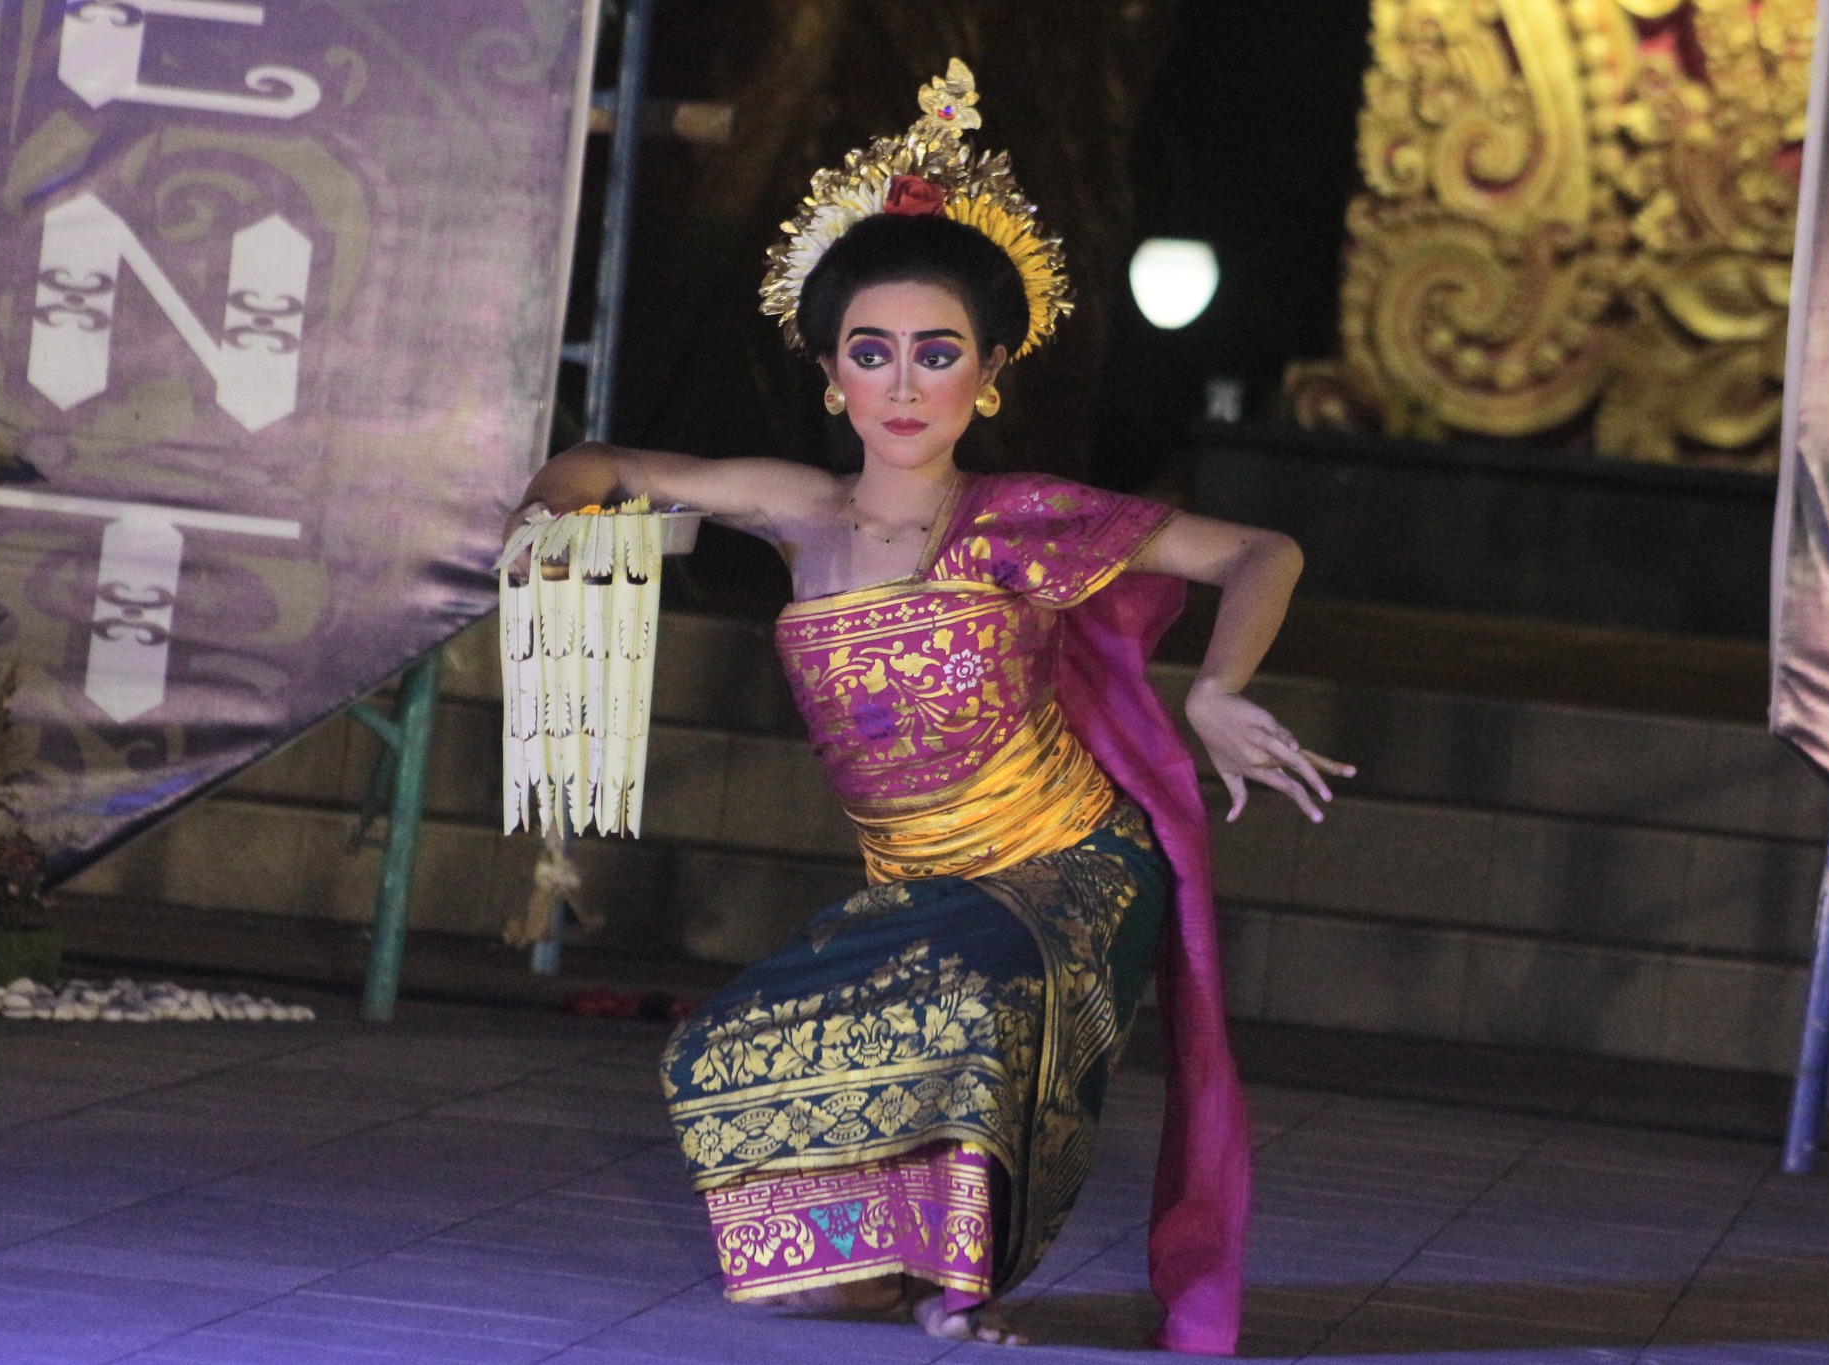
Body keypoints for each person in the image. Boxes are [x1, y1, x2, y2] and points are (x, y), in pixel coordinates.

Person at [507, 60, 1349, 1353]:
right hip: (916, 883)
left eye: (938, 354)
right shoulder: (797, 513)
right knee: (716, 1052)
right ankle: (879, 1269)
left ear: (989, 372)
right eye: (874, 353)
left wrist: (1220, 687)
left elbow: (1259, 551)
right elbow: (607, 462)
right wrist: (542, 517)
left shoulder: (1021, 520)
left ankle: (962, 1281)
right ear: (831, 373)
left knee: (976, 994)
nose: (904, 386)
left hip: (1071, 866)